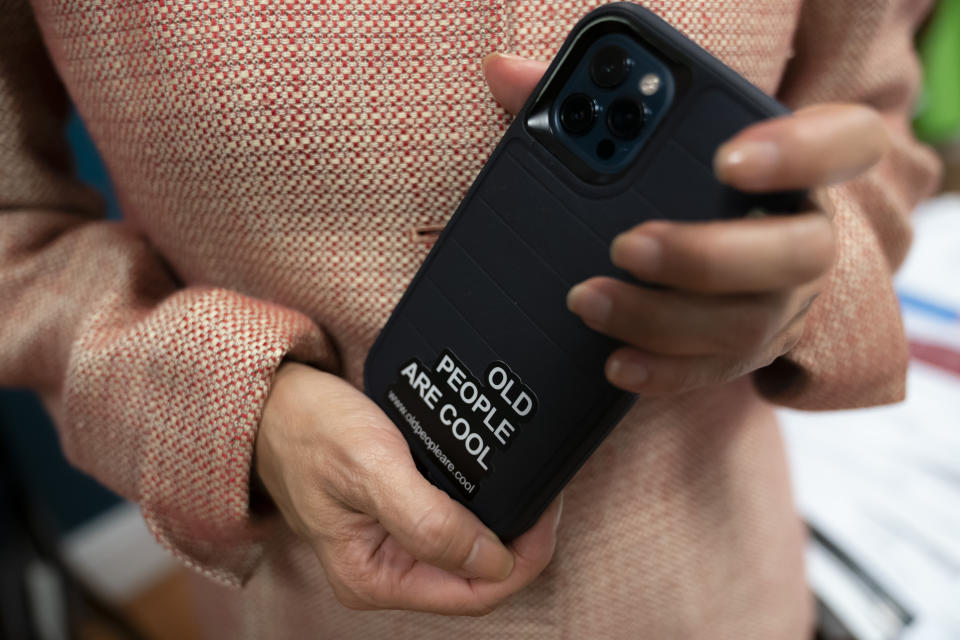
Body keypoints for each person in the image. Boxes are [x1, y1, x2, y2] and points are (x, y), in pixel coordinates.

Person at [0, 0, 940, 637]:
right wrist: (237, 414)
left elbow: (871, 131)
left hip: (721, 591)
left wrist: (806, 280)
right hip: (312, 615)